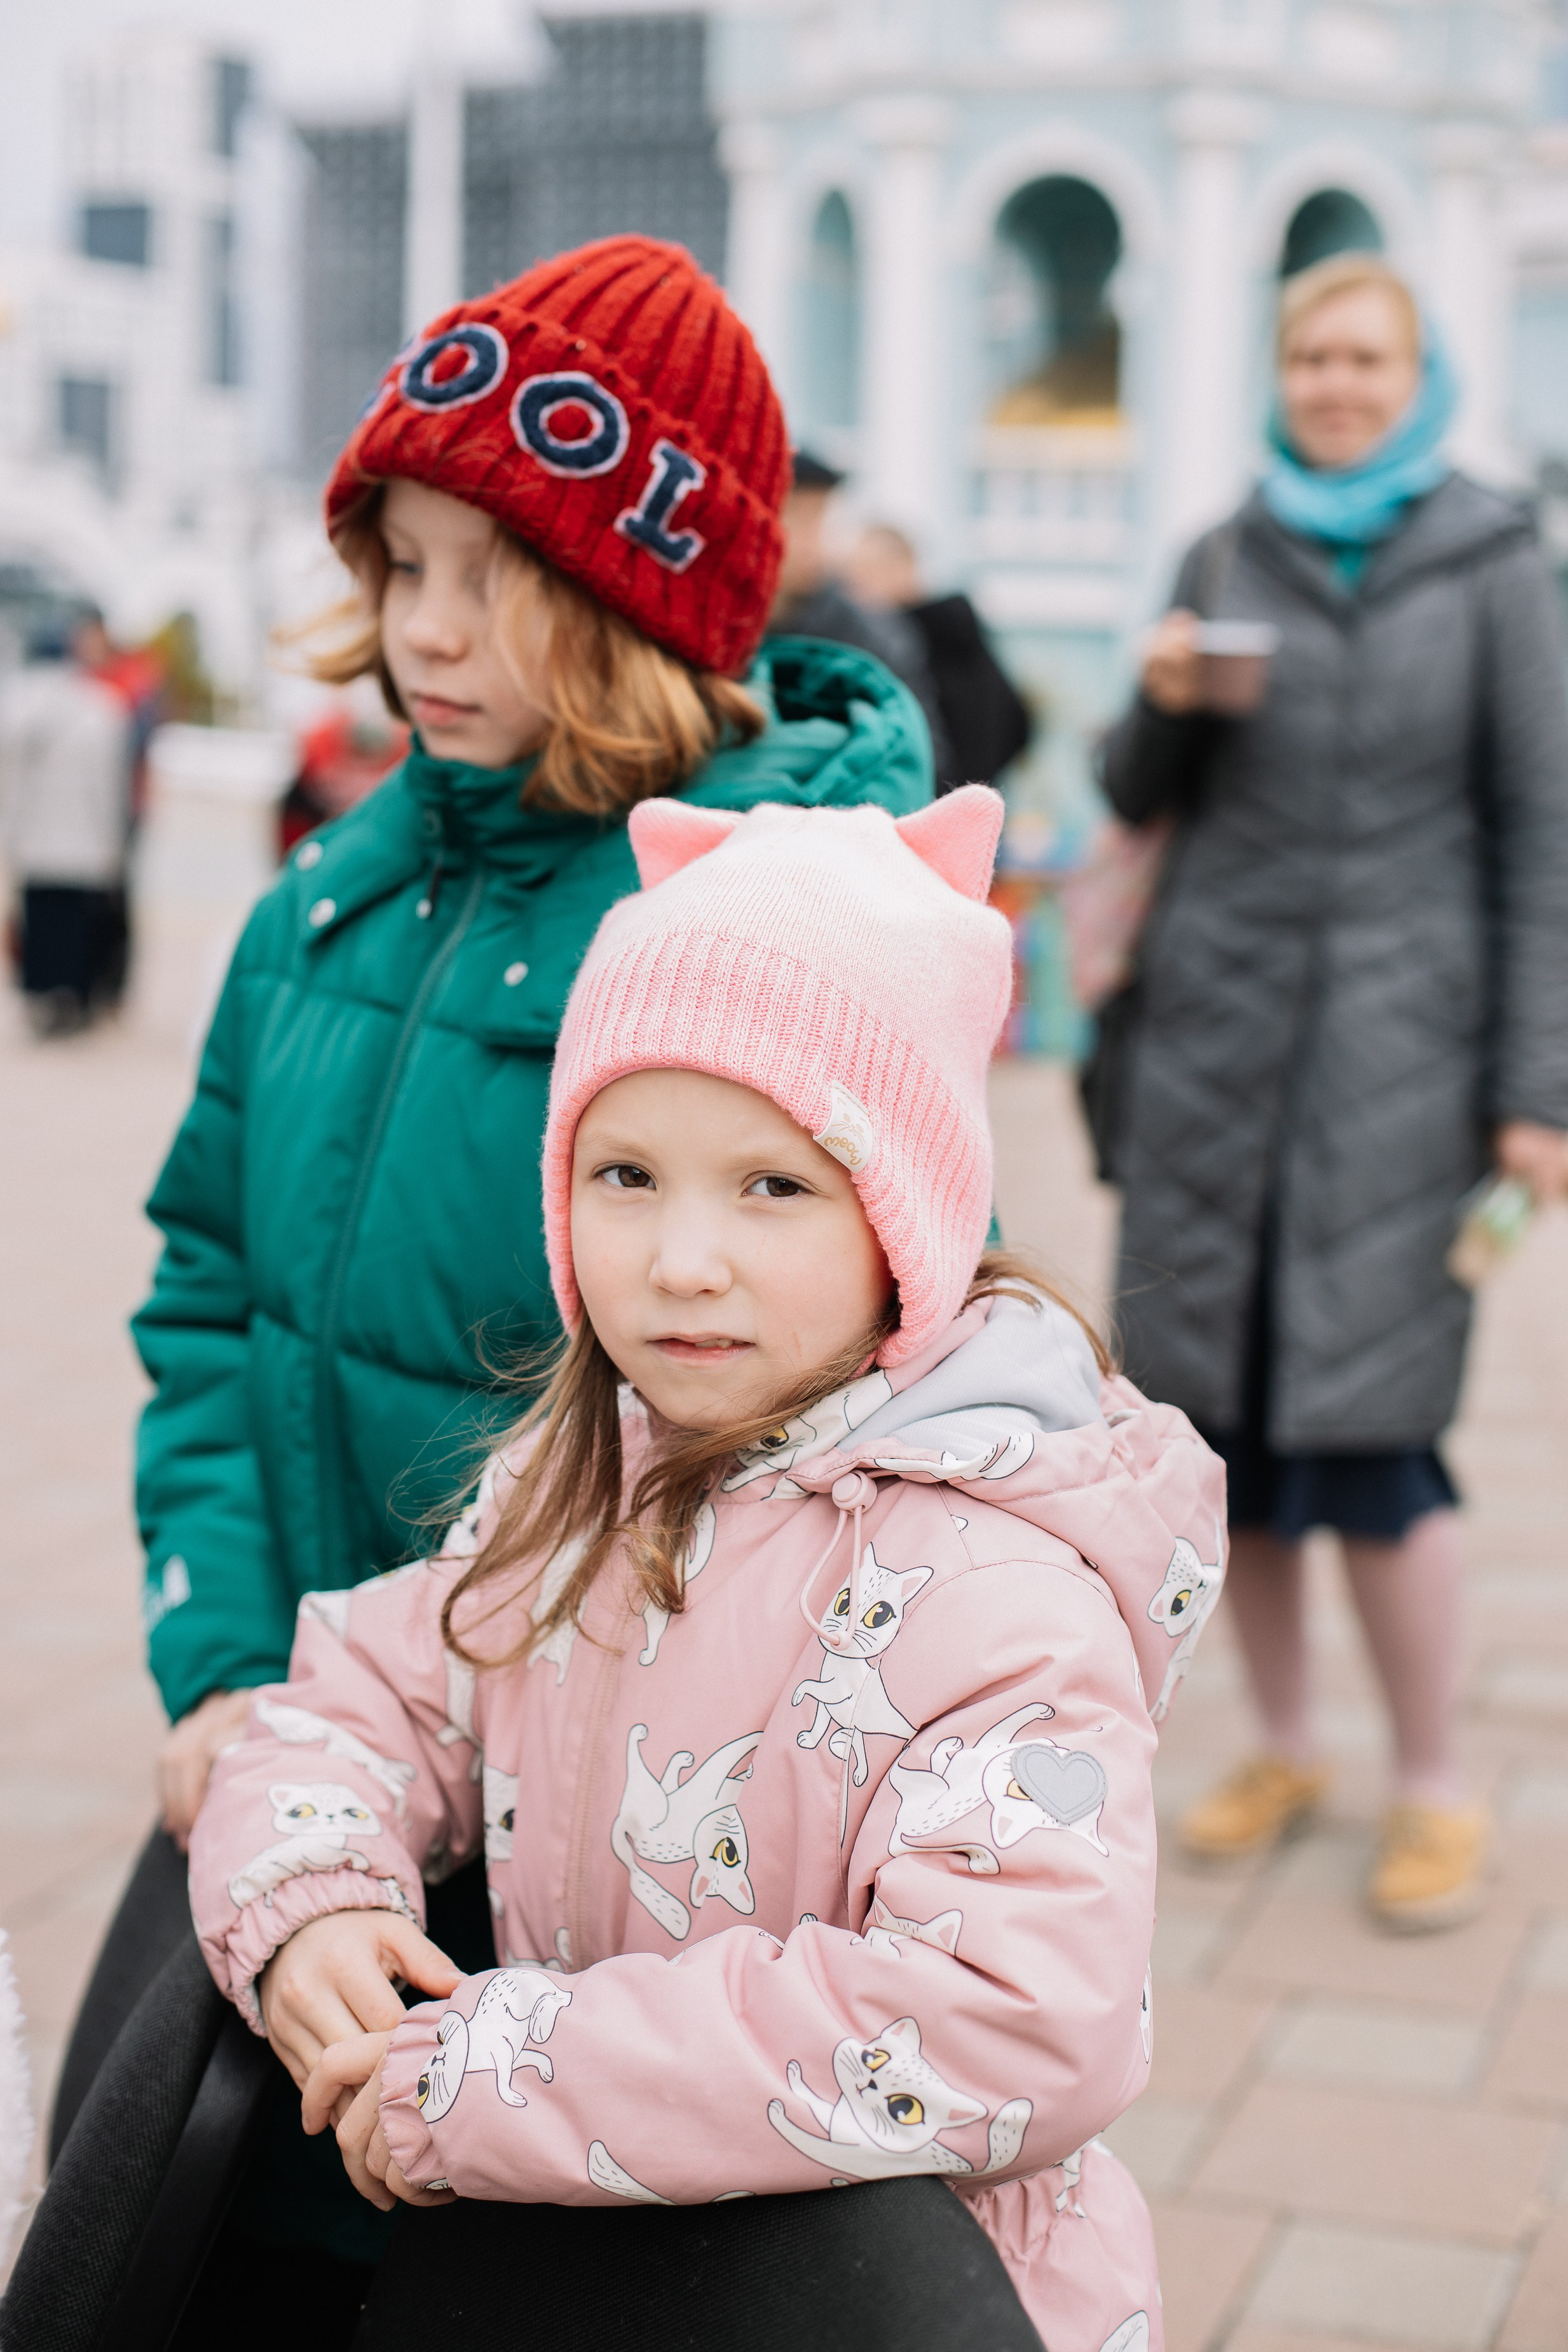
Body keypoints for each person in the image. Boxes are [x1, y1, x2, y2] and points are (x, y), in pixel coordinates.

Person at [60, 235, 931, 2321]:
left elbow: (839, 1428)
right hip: (298, 1766)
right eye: (397, 562)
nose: (418, 636)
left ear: (640, 586)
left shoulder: (767, 936)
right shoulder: (321, 912)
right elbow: (207, 1294)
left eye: (489, 573)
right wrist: (228, 1669)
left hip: (612, 1871)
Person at [187, 786, 1228, 2351]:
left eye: (771, 1185)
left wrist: (494, 2069)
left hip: (897, 2301)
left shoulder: (998, 1586)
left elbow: (1013, 2015)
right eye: (625, 1175)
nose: (682, 1258)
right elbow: (364, 1690)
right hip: (606, 2276)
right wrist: (316, 1903)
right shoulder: (581, 1473)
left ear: (906, 1222)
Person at [1098, 252, 1568, 1929]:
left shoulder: (1496, 564)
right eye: (1309, 354)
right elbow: (1131, 790)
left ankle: (1433, 1778)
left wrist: (1539, 1088)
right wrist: (1152, 704)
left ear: (1422, 376)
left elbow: (1542, 833)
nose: (1335, 382)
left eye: (1366, 356)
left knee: (1374, 1445)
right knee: (1228, 1438)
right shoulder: (1228, 545)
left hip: (1403, 1061)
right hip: (1214, 1052)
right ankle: (1286, 1743)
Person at [768, 450, 955, 777]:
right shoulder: (716, 634)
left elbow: (921, 754)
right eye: (796, 519)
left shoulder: (870, 635)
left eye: (820, 520)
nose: (813, 541)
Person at [0, 606, 132, 1036]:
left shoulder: (17, 712)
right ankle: (72, 1002)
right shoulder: (102, 709)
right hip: (84, 841)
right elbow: (109, 786)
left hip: (37, 841)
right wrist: (113, 842)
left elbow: (11, 783)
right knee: (76, 927)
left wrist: (11, 835)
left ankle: (41, 1000)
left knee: (40, 924)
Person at [847, 522, 1034, 790]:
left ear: (903, 568)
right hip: (973, 805)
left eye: (864, 574)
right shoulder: (961, 631)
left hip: (928, 805)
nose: (854, 592)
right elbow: (1019, 721)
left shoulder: (902, 642)